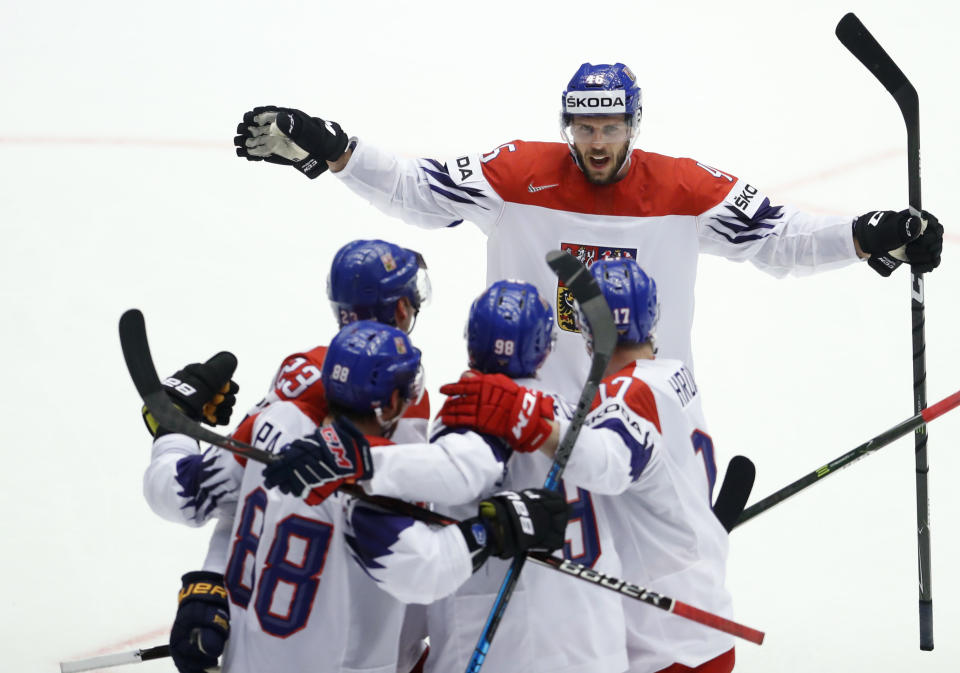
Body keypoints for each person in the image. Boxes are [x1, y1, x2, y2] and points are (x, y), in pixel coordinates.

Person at [232, 62, 944, 405]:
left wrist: (867, 232)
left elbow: (780, 238)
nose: (596, 142)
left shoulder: (683, 186)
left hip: (651, 414)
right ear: (566, 124)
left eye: (609, 127)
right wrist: (334, 149)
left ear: (634, 124)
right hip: (531, 413)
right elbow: (416, 188)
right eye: (583, 127)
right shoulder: (514, 173)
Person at [263, 280, 630, 673]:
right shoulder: (570, 417)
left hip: (513, 645)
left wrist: (361, 460)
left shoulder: (476, 409)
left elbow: (460, 472)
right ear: (544, 349)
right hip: (598, 640)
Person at [139, 239, 433, 673]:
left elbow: (193, 494)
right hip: (381, 654)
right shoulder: (411, 400)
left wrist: (171, 430)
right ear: (403, 310)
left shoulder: (286, 407)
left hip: (273, 648)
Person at [439, 257, 739, 672]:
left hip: (664, 644)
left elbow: (607, 463)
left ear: (585, 327)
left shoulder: (624, 396)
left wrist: (528, 421)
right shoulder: (672, 375)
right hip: (705, 614)